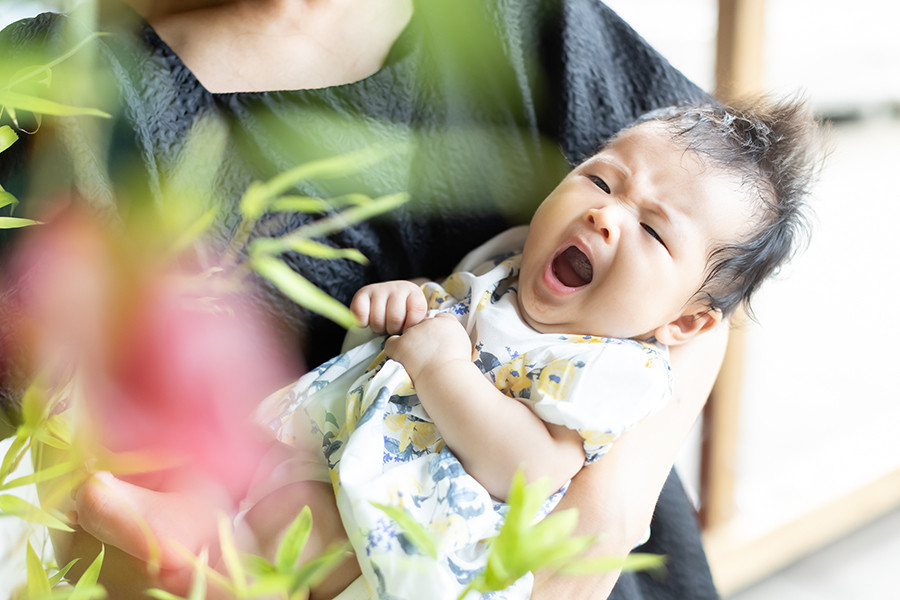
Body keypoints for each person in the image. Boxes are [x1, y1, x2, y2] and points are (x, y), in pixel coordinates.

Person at [0, 1, 753, 598]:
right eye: (599, 184)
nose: (606, 212)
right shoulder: (64, 85)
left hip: (552, 558)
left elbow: (717, 265)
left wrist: (612, 504)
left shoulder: (504, 17)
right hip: (308, 535)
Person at [78, 99, 816, 600]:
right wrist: (409, 304)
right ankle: (194, 520)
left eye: (653, 230)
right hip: (355, 456)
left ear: (684, 322)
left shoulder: (615, 372)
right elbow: (449, 307)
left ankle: (209, 558)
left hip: (425, 536)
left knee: (320, 542)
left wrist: (439, 366)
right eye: (600, 178)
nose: (605, 211)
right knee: (262, 479)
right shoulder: (509, 265)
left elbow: (529, 467)